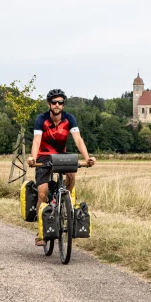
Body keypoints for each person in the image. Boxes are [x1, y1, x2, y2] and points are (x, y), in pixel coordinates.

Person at [27, 89, 96, 246]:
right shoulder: (41, 119)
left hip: (60, 155)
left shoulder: (69, 118)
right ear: (49, 104)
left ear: (63, 105)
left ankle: (65, 202)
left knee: (71, 174)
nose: (57, 105)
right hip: (43, 156)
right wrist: (33, 157)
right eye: (54, 102)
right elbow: (36, 141)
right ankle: (41, 232)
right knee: (43, 193)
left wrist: (87, 158)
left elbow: (78, 139)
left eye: (60, 102)